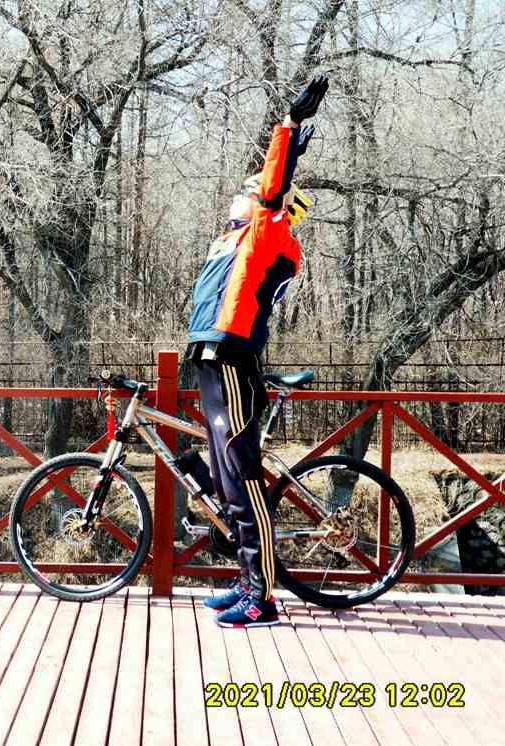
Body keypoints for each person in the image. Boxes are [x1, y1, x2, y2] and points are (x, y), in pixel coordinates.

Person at [185, 75, 329, 628]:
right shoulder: (234, 239)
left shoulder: (269, 234)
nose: (240, 193)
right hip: (209, 358)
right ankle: (247, 580)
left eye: (250, 190)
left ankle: (262, 597)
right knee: (226, 482)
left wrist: (288, 130)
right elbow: (267, 190)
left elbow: (272, 191)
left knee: (244, 480)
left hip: (231, 360)